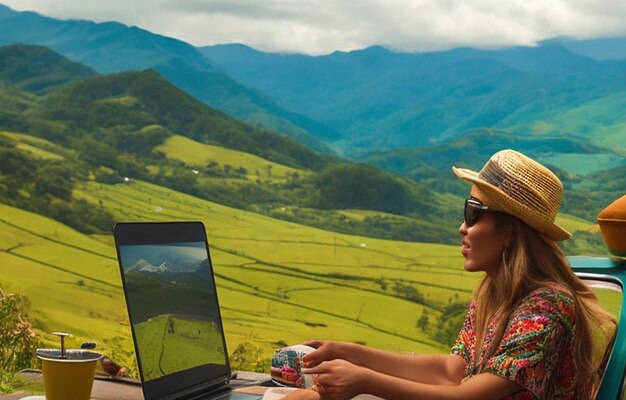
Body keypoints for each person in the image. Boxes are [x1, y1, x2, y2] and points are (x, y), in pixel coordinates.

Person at [282, 149, 616, 400]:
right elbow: (451, 372)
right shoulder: (495, 293)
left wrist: (365, 380)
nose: (462, 227)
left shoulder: (546, 307)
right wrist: (350, 352)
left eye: (473, 213)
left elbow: (466, 396)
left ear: (510, 232)